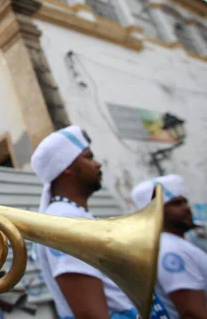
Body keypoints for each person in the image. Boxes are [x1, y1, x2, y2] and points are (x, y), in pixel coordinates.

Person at [30, 125, 168, 319]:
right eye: (88, 157)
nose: (97, 164)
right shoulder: (66, 220)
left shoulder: (73, 214)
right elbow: (90, 314)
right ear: (67, 167)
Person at [132, 175, 207, 319]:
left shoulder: (168, 245)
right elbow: (192, 312)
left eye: (185, 202)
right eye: (176, 204)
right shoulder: (171, 250)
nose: (186, 208)